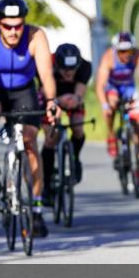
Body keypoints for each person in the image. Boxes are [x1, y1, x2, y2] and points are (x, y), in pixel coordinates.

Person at [0, 0, 58, 237]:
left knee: (30, 143)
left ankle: (37, 209)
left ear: (24, 23)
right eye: (7, 26)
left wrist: (51, 101)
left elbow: (46, 74)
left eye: (18, 26)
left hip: (24, 91)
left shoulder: (35, 36)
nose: (13, 32)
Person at [95, 31, 139, 186]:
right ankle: (111, 134)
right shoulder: (109, 56)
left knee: (138, 125)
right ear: (116, 49)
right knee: (111, 105)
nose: (126, 54)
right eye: (121, 51)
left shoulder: (138, 55)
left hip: (129, 89)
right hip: (113, 88)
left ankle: (138, 166)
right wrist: (105, 105)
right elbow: (100, 85)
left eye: (129, 50)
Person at [41, 43, 91, 204]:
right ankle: (46, 184)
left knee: (78, 127)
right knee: (51, 137)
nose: (69, 73)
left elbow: (79, 94)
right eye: (65, 70)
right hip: (50, 97)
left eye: (72, 70)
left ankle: (75, 159)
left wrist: (75, 99)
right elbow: (43, 89)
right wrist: (55, 101)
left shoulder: (84, 67)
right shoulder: (46, 63)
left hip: (71, 96)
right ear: (57, 65)